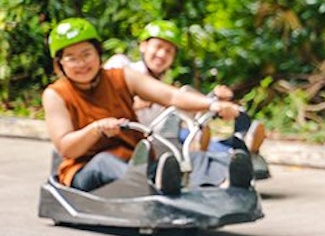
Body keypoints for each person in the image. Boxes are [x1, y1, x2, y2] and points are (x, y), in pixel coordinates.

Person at [42, 17, 252, 194]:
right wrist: (96, 129)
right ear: (60, 63)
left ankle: (227, 178)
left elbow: (171, 96)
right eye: (72, 58)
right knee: (104, 162)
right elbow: (66, 146)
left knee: (192, 157)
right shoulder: (55, 94)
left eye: (86, 54)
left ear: (97, 53)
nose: (81, 64)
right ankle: (160, 186)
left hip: (135, 161)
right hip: (84, 169)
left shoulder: (121, 77)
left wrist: (212, 104)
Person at [104, 20, 267, 154]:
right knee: (180, 138)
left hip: (162, 137)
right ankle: (216, 150)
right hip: (130, 140)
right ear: (143, 46)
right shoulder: (122, 66)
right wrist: (139, 102)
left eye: (168, 51)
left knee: (187, 127)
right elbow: (101, 102)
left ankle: (238, 146)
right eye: (158, 47)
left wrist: (214, 100)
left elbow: (180, 102)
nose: (162, 55)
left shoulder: (165, 88)